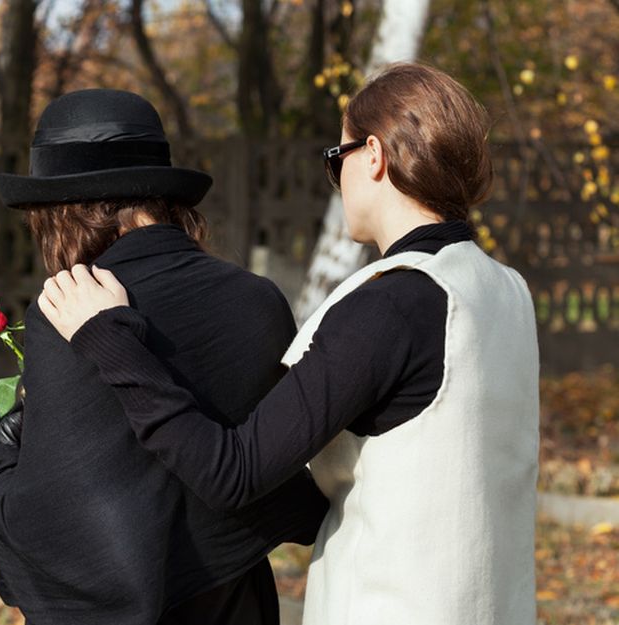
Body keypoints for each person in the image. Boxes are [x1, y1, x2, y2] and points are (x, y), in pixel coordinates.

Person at [39, 64, 539, 625]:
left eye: (338, 157)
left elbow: (233, 473)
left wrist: (111, 341)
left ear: (373, 155)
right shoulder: (506, 290)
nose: (338, 177)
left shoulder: (390, 305)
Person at [0, 89, 329, 625]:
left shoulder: (66, 312)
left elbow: (54, 533)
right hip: (237, 608)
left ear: (62, 212)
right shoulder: (260, 301)